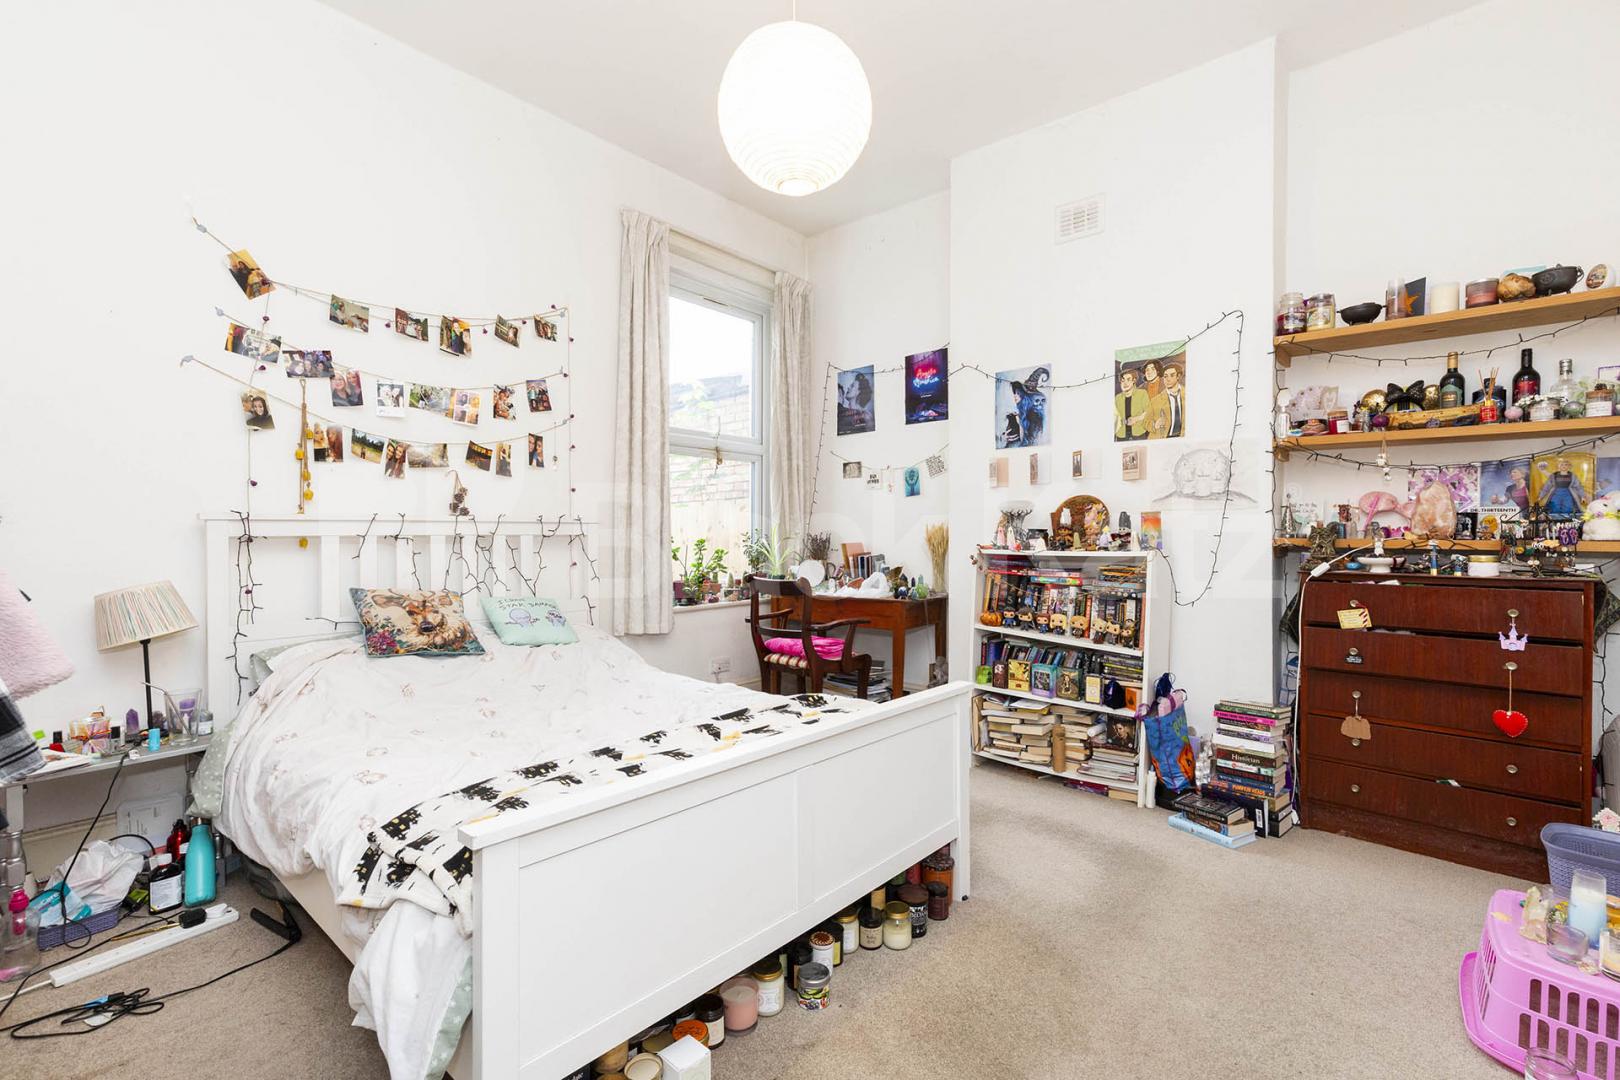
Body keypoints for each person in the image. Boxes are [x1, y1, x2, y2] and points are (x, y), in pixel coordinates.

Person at [1147, 361, 1186, 438]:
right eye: (1165, 376)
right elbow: (1146, 422)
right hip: (1160, 440)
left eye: (1172, 375)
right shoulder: (1155, 400)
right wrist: (1155, 425)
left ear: (1178, 376)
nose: (1168, 379)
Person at [1114, 367, 1148, 440]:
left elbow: (1148, 412)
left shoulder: (1142, 393)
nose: (1125, 383)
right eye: (1122, 381)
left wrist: (1136, 419)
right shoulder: (1117, 398)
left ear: (1134, 380)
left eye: (1128, 379)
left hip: (1138, 433)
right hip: (1121, 435)